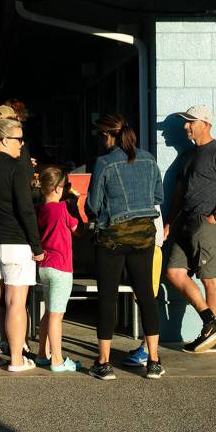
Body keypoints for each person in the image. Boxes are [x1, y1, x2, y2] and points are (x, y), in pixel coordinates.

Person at [85, 114, 166, 380]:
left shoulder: (104, 163)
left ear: (109, 135)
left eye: (101, 135)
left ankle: (104, 363)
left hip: (112, 238)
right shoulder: (149, 159)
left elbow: (93, 205)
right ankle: (153, 361)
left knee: (107, 298)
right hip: (143, 236)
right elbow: (158, 197)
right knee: (146, 296)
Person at [164, 104, 216, 354]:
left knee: (209, 277)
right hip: (182, 222)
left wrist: (214, 217)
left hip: (206, 223)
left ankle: (213, 339)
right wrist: (168, 221)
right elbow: (177, 194)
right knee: (174, 273)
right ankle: (212, 321)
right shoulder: (187, 155)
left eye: (191, 122)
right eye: (185, 122)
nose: (186, 126)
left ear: (205, 124)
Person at [0, 117, 44, 372]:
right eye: (18, 139)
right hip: (14, 242)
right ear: (4, 140)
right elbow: (26, 209)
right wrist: (37, 247)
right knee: (15, 302)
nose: (22, 145)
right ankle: (16, 359)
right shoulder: (16, 168)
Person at [33, 166, 81, 373]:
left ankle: (42, 354)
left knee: (48, 313)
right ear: (57, 188)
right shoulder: (62, 209)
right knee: (56, 315)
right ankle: (57, 359)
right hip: (61, 266)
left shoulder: (40, 209)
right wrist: (76, 205)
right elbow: (77, 229)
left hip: (44, 266)